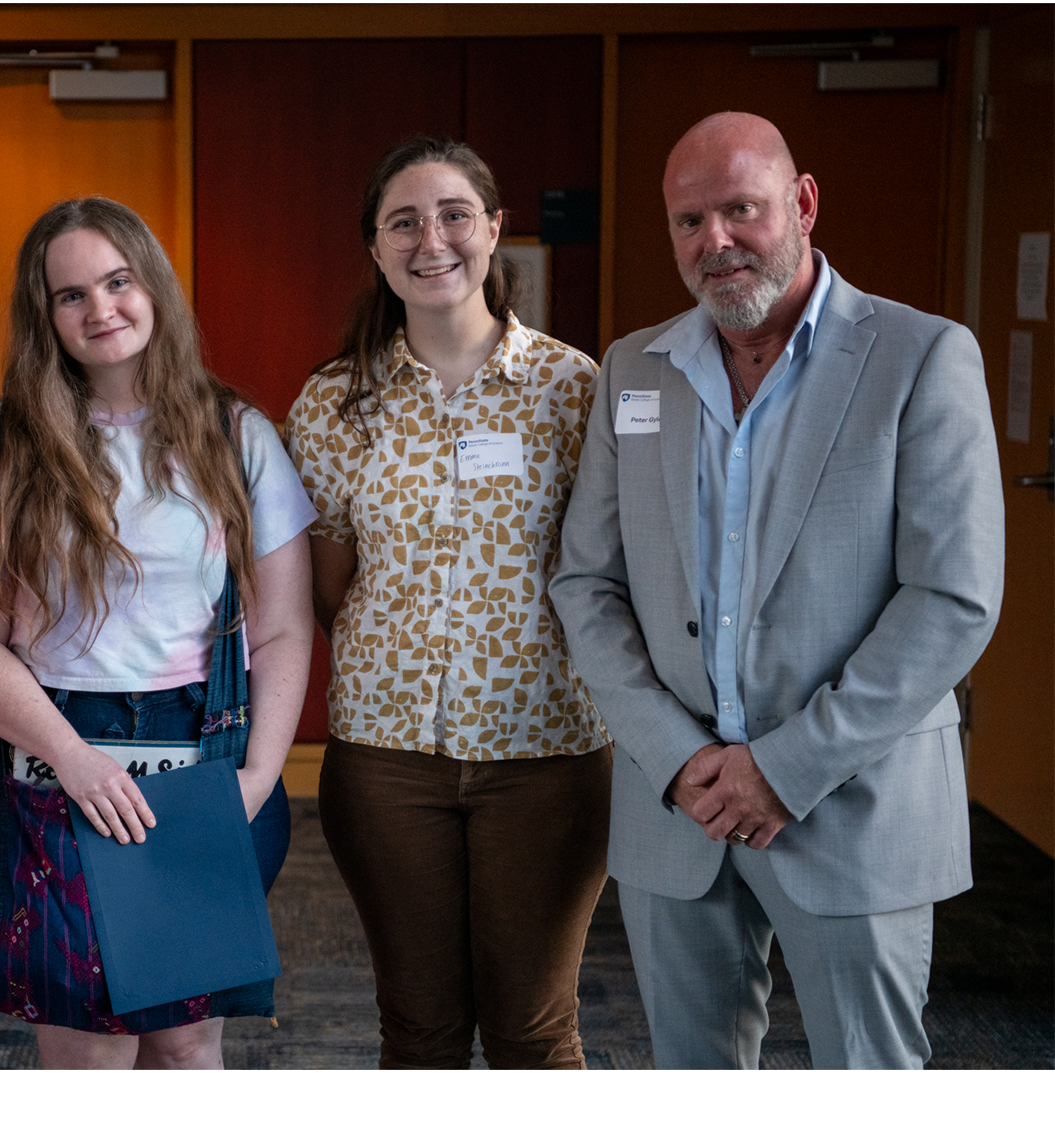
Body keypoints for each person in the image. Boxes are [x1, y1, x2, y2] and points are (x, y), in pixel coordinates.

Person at [549, 112, 1004, 1069]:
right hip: (678, 809)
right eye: (687, 221)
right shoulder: (635, 368)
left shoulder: (922, 357)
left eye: (739, 210)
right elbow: (587, 582)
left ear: (801, 204)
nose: (714, 240)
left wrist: (783, 770)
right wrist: (679, 759)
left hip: (853, 804)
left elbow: (952, 599)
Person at [0, 196, 315, 1069]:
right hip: (55, 750)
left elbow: (284, 628)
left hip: (202, 755)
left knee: (183, 1045)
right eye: (71, 295)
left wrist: (254, 779)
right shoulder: (0, 443)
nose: (100, 309)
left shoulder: (236, 434)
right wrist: (73, 756)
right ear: (45, 317)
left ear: (154, 290)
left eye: (117, 281)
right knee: (86, 1056)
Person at [285, 136, 612, 1070]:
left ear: (495, 230)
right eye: (404, 222)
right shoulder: (333, 402)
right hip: (387, 762)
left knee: (534, 1031)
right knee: (419, 1031)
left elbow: (605, 568)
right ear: (377, 249)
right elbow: (332, 586)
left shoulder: (572, 388)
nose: (433, 239)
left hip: (545, 751)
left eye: (455, 214)